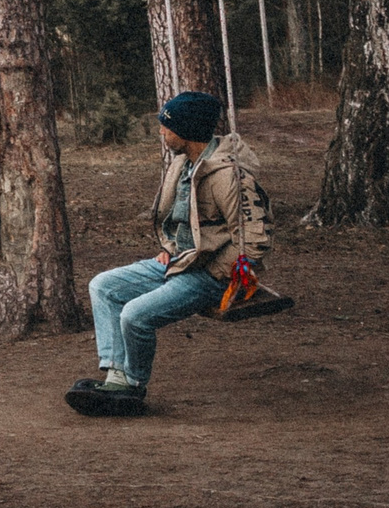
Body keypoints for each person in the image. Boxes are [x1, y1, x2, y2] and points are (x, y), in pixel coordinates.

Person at [66, 91, 259, 418]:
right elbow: (177, 218)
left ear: (185, 130)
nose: (161, 132)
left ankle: (133, 386)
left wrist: (230, 274)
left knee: (135, 315)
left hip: (211, 275)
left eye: (166, 127)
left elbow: (254, 238)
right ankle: (116, 375)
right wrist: (170, 249)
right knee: (103, 286)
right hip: (179, 262)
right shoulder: (182, 164)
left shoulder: (229, 175)